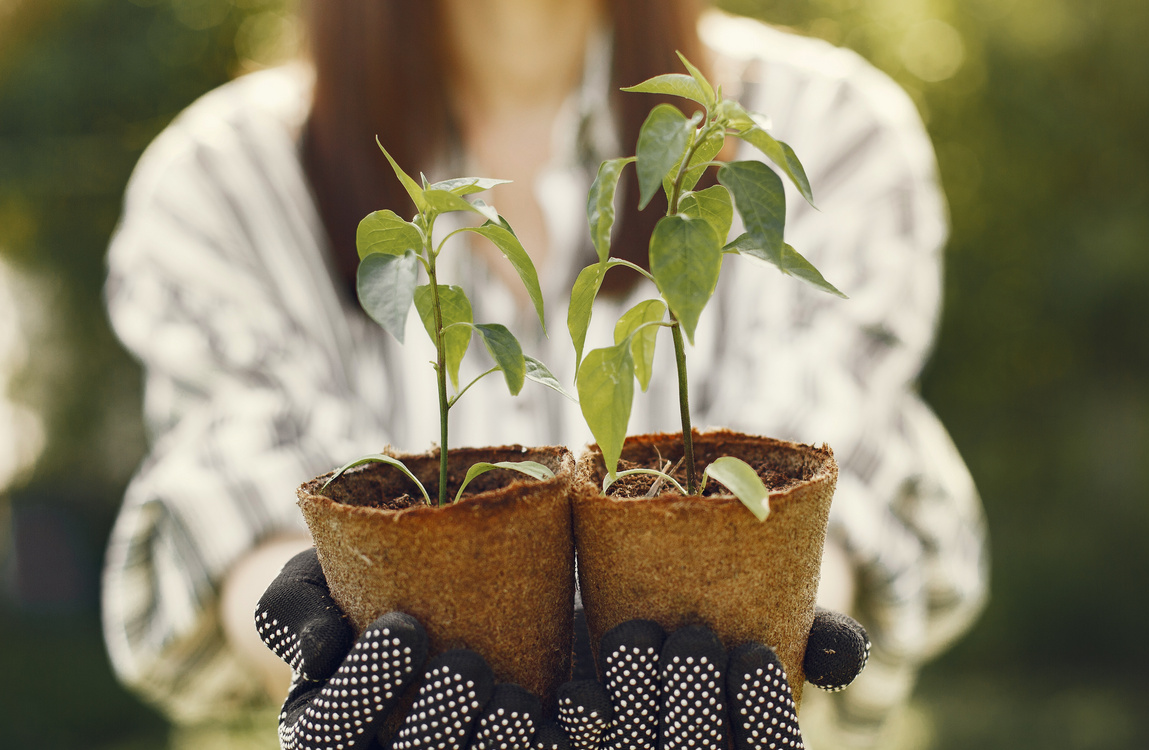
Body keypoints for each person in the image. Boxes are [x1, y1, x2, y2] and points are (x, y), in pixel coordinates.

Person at [100, 0, 988, 747]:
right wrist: (327, 651)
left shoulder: (828, 128)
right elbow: (234, 486)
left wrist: (764, 626)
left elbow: (806, 478)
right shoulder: (226, 180)